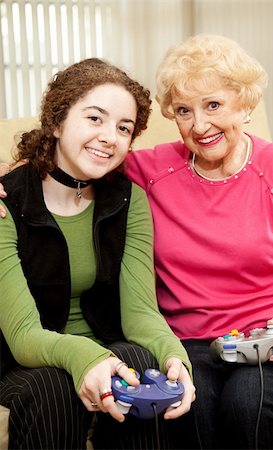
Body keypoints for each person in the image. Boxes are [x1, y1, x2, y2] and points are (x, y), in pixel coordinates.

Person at [1, 34, 273, 449]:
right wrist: (11, 175)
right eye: (183, 111)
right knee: (186, 408)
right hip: (196, 339)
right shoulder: (151, 171)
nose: (199, 125)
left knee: (249, 402)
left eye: (213, 105)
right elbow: (74, 161)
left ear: (245, 104)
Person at [0, 58, 195, 450]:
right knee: (53, 386)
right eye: (95, 119)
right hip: (24, 360)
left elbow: (140, 312)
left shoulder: (128, 200)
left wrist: (177, 359)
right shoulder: (7, 201)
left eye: (124, 128)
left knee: (141, 364)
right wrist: (89, 359)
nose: (110, 137)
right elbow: (22, 335)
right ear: (56, 123)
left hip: (108, 345)